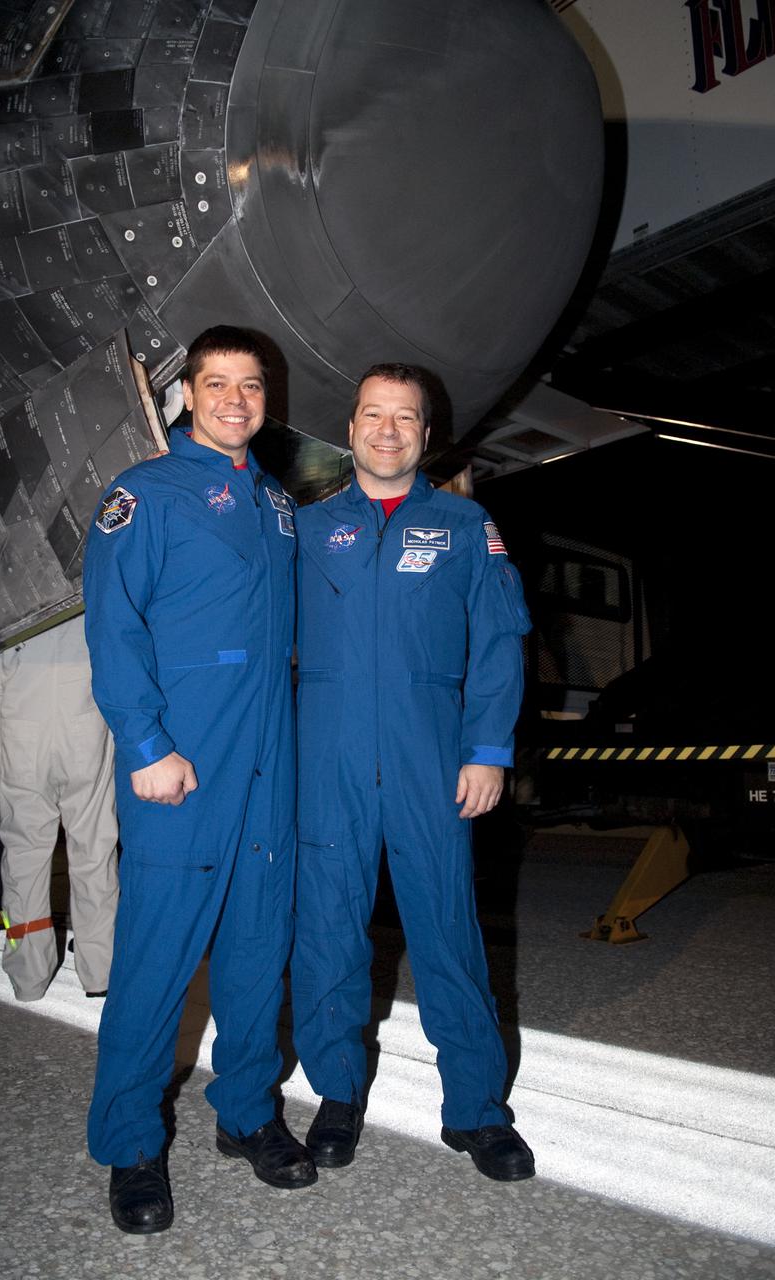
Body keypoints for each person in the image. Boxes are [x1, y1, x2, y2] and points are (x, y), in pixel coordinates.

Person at [82, 326, 311, 1236]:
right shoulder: (144, 495)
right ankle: (131, 1141)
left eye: (251, 386)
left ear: (266, 399)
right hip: (184, 758)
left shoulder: (277, 504)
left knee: (258, 948)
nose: (234, 400)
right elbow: (115, 629)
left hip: (267, 762)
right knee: (156, 961)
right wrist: (145, 746)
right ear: (187, 394)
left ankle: (248, 1110)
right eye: (217, 383)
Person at [290, 363, 535, 1181]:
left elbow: (499, 642)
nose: (387, 430)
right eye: (372, 415)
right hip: (327, 759)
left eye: (405, 418)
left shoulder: (465, 526)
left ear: (425, 437)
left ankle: (475, 1110)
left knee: (447, 933)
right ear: (350, 428)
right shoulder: (310, 528)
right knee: (327, 931)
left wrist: (488, 749)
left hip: (432, 758)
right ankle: (336, 1094)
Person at [0, 614, 118, 1001]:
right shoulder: (90, 596)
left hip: (22, 741)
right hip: (86, 735)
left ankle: (29, 976)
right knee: (94, 852)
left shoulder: (11, 601)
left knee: (25, 859)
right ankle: (100, 971)